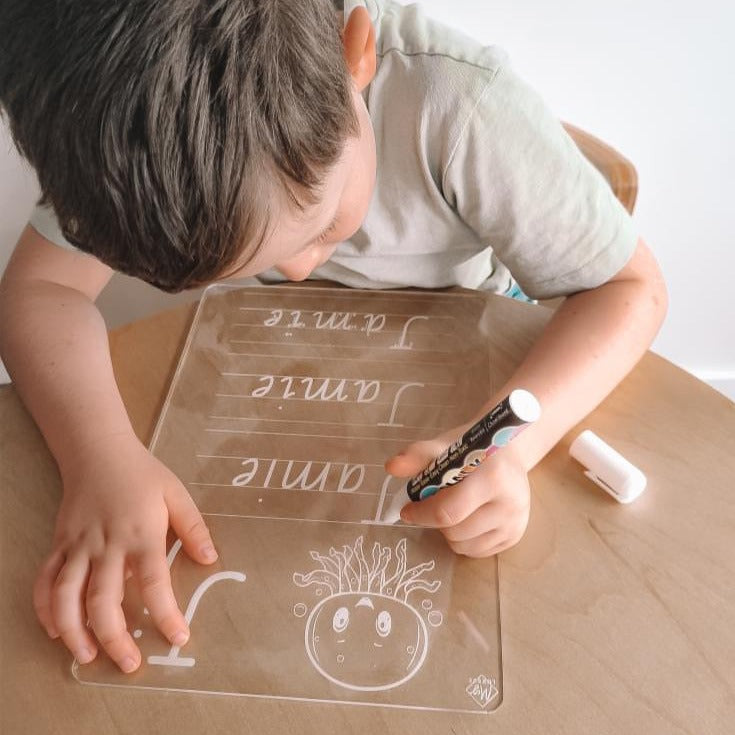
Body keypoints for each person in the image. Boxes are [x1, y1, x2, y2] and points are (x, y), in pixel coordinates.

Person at [0, 0, 667, 675]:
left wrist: (515, 448)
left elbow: (629, 289)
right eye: (254, 262)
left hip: (474, 375)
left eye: (320, 225)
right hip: (286, 391)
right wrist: (99, 457)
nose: (295, 269)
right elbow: (40, 291)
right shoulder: (122, 134)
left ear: (358, 56)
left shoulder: (460, 107)